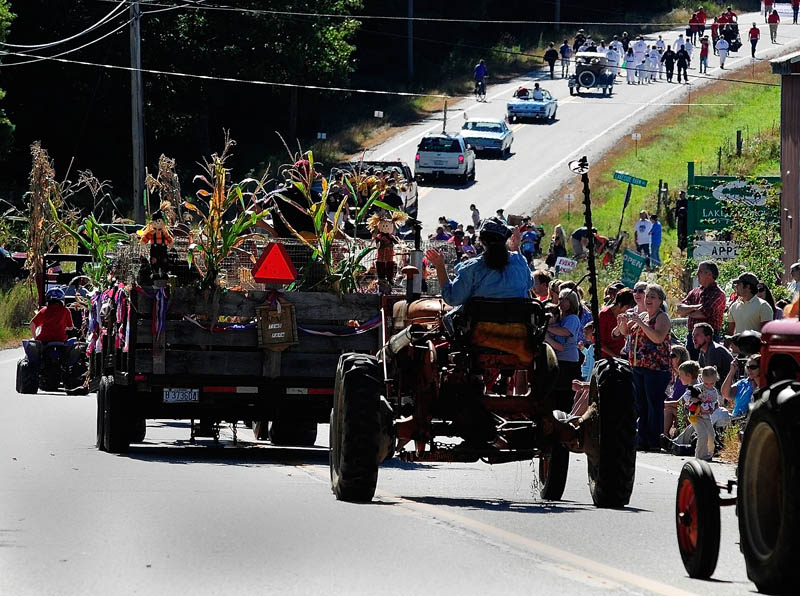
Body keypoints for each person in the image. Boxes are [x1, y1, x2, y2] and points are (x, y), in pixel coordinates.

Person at [426, 217, 531, 307]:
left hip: (480, 328)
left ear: (480, 241)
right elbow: (529, 283)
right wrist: (516, 248)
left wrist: (440, 266)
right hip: (518, 328)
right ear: (505, 241)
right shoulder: (518, 260)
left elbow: (453, 299)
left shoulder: (471, 268)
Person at [620, 283, 672, 451]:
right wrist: (622, 323)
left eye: (653, 297)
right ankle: (641, 440)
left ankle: (654, 441)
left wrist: (640, 323)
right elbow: (626, 333)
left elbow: (657, 338)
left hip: (655, 368)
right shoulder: (642, 315)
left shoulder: (662, 317)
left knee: (654, 404)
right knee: (641, 404)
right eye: (647, 296)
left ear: (660, 300)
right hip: (638, 366)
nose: (648, 299)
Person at [677, 261, 727, 359]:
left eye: (700, 271)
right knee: (690, 368)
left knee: (708, 367)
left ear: (709, 274)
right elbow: (679, 309)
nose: (697, 274)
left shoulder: (718, 294)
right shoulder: (695, 291)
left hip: (708, 337)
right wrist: (695, 307)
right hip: (692, 336)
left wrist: (688, 311)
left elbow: (703, 314)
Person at [545, 288, 584, 410]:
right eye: (560, 299)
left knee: (565, 393)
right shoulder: (561, 318)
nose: (560, 302)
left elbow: (565, 332)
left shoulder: (572, 318)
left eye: (564, 299)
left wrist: (547, 329)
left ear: (571, 302)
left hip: (568, 362)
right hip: (559, 359)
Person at [599, 287, 635, 358]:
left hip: (625, 356)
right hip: (607, 358)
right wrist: (614, 356)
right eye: (628, 306)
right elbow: (599, 341)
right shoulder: (604, 314)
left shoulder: (630, 315)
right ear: (620, 303)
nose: (631, 309)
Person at [663, 345, 691, 438]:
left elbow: (681, 403)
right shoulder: (676, 376)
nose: (669, 358)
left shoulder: (687, 378)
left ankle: (665, 436)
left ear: (681, 358)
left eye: (672, 356)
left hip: (689, 414)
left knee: (668, 410)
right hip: (680, 411)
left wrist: (664, 403)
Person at [721, 354, 761, 418]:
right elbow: (726, 394)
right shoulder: (743, 383)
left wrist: (756, 379)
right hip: (737, 420)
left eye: (753, 367)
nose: (749, 370)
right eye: (748, 367)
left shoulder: (765, 384)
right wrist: (732, 371)